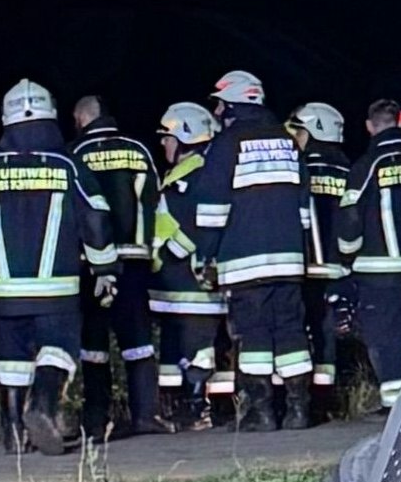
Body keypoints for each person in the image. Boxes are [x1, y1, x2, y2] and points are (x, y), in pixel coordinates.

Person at [0, 79, 111, 456]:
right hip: (57, 287)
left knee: (11, 359)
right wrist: (105, 269)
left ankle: (13, 433)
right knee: (59, 347)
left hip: (0, 290)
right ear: (51, 116)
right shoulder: (68, 165)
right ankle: (43, 405)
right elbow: (96, 219)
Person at [209, 70, 317, 430]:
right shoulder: (287, 141)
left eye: (220, 104)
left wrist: (205, 255)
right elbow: (304, 205)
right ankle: (299, 411)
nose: (217, 111)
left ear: (233, 105)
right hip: (289, 259)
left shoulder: (227, 144)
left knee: (253, 333)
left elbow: (211, 209)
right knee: (291, 331)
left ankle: (262, 411)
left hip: (244, 261)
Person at [69, 94, 166, 438]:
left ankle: (96, 420)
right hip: (135, 260)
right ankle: (146, 415)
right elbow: (157, 202)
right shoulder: (138, 150)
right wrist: (154, 252)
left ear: (81, 119)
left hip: (91, 264)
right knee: (139, 340)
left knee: (93, 343)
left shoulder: (74, 155)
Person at [341, 99, 401, 401]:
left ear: (369, 127)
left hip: (378, 271)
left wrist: (347, 252)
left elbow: (350, 215)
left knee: (385, 336)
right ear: (400, 123)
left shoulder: (367, 165)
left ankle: (394, 403)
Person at [145, 102, 231, 428]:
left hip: (190, 283)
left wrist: (168, 255)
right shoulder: (186, 173)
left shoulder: (197, 176)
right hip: (174, 284)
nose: (163, 143)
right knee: (176, 350)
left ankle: (198, 408)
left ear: (185, 137)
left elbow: (195, 228)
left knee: (199, 349)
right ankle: (183, 407)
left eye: (167, 138)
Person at [291, 102, 355, 415]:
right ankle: (328, 398)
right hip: (340, 265)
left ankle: (305, 400)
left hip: (307, 265)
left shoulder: (300, 166)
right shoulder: (348, 168)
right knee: (328, 334)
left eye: (298, 131)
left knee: (302, 331)